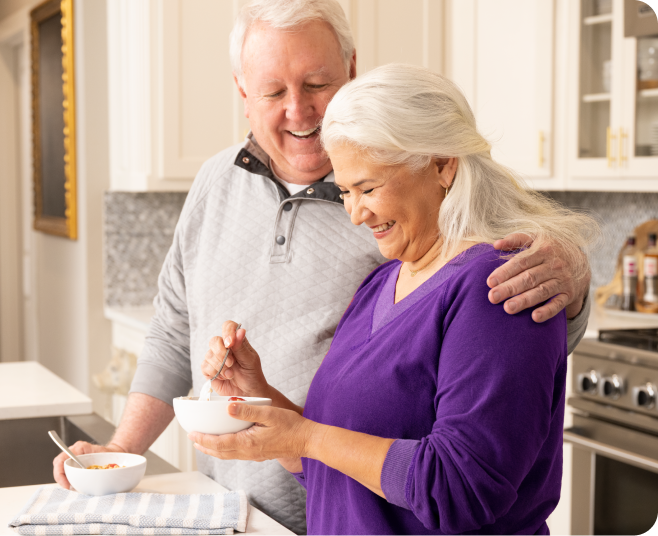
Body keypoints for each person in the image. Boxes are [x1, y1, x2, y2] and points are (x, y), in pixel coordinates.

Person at [53, 2, 591, 534]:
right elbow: (179, 333)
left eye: (316, 83)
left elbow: (464, 477)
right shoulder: (381, 269)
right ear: (243, 92)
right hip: (239, 511)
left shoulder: (488, 275)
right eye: (273, 91)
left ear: (351, 70)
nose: (299, 110)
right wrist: (246, 403)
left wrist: (576, 275)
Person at [192, 63, 599, 536]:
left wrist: (306, 436)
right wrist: (257, 397)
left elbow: (461, 488)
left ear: (443, 166)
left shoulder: (500, 286)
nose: (355, 214)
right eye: (344, 191)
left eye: (368, 188)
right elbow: (338, 463)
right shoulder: (380, 283)